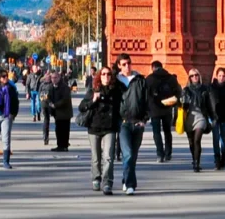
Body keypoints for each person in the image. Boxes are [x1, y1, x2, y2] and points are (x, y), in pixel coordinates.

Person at [78, 65, 123, 194]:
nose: (106, 77)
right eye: (103, 74)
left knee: (108, 156)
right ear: (99, 76)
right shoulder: (93, 90)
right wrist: (93, 100)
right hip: (94, 127)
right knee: (96, 157)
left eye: (108, 74)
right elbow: (82, 107)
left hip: (110, 127)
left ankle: (107, 182)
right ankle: (96, 179)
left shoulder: (116, 90)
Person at [115, 53, 149, 195]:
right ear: (119, 66)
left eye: (129, 63)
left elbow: (147, 101)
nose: (127, 66)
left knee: (133, 156)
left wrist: (144, 120)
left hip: (138, 123)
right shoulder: (115, 81)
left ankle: (126, 179)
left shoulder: (140, 80)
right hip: (123, 123)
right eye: (124, 64)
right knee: (127, 154)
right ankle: (130, 185)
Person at [146, 60, 181, 163]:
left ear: (153, 67)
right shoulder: (171, 78)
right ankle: (168, 153)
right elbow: (178, 92)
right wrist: (173, 103)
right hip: (167, 108)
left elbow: (145, 95)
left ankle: (160, 154)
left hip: (154, 109)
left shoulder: (149, 79)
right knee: (167, 132)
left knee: (156, 132)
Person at [180, 68, 214, 172]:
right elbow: (181, 106)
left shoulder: (205, 89)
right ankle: (194, 158)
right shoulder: (186, 90)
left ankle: (196, 163)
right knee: (191, 142)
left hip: (201, 117)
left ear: (199, 76)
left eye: (196, 75)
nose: (195, 77)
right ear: (189, 78)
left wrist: (213, 117)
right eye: (192, 76)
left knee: (197, 140)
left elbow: (209, 104)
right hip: (189, 117)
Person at [45, 70, 73, 151]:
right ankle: (59, 145)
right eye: (52, 77)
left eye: (55, 77)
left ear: (59, 77)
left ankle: (64, 146)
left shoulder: (65, 87)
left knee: (64, 130)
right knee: (58, 130)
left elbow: (65, 99)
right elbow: (48, 96)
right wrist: (49, 102)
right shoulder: (51, 87)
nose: (54, 79)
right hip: (57, 113)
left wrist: (55, 105)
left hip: (65, 113)